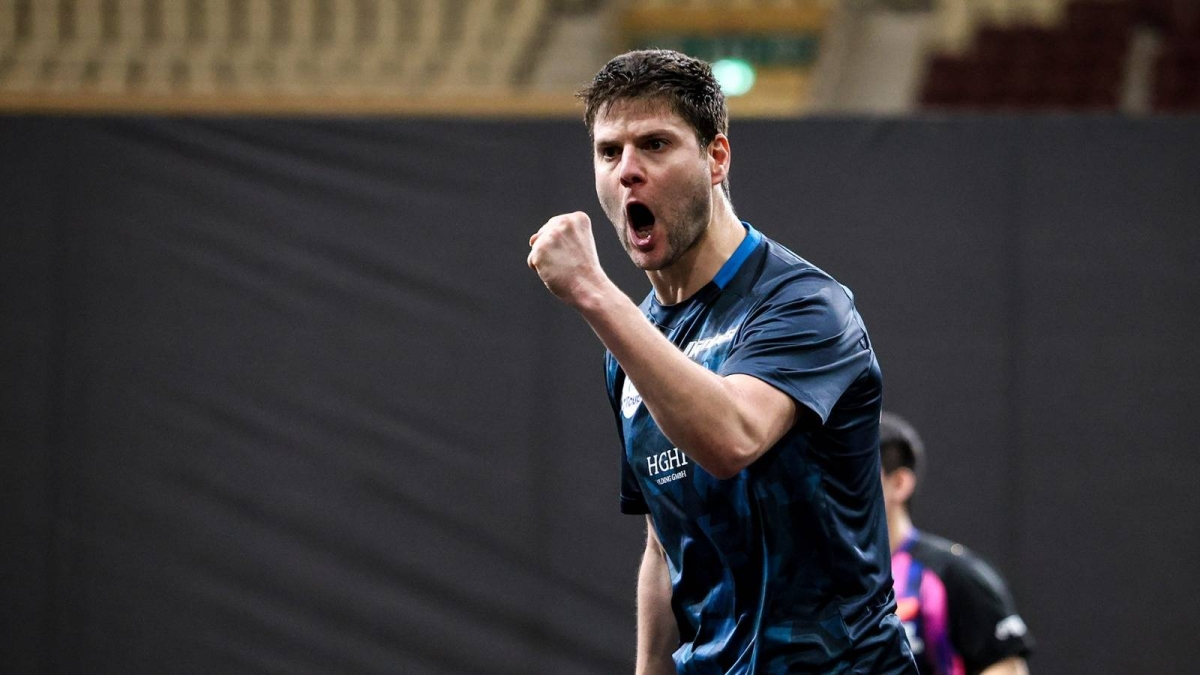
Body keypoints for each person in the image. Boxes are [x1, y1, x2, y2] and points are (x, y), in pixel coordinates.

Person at [526, 49, 916, 674]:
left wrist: (594, 293)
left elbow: (732, 437)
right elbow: (663, 545)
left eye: (654, 144)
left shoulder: (806, 304)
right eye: (609, 151)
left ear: (716, 158)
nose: (627, 171)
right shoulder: (634, 340)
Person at [879, 411, 1035, 675]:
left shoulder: (955, 575)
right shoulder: (817, 579)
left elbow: (1007, 668)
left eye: (854, 472)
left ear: (899, 483)